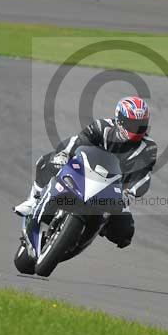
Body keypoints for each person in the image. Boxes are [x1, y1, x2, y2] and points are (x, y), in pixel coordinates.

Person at [14, 96, 157, 249]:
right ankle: (34, 199)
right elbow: (79, 140)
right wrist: (64, 154)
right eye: (132, 124)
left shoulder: (148, 148)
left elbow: (143, 176)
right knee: (46, 162)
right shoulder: (103, 127)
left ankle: (98, 225)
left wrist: (131, 192)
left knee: (125, 233)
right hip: (84, 173)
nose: (136, 129)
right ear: (120, 120)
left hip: (115, 191)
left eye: (140, 125)